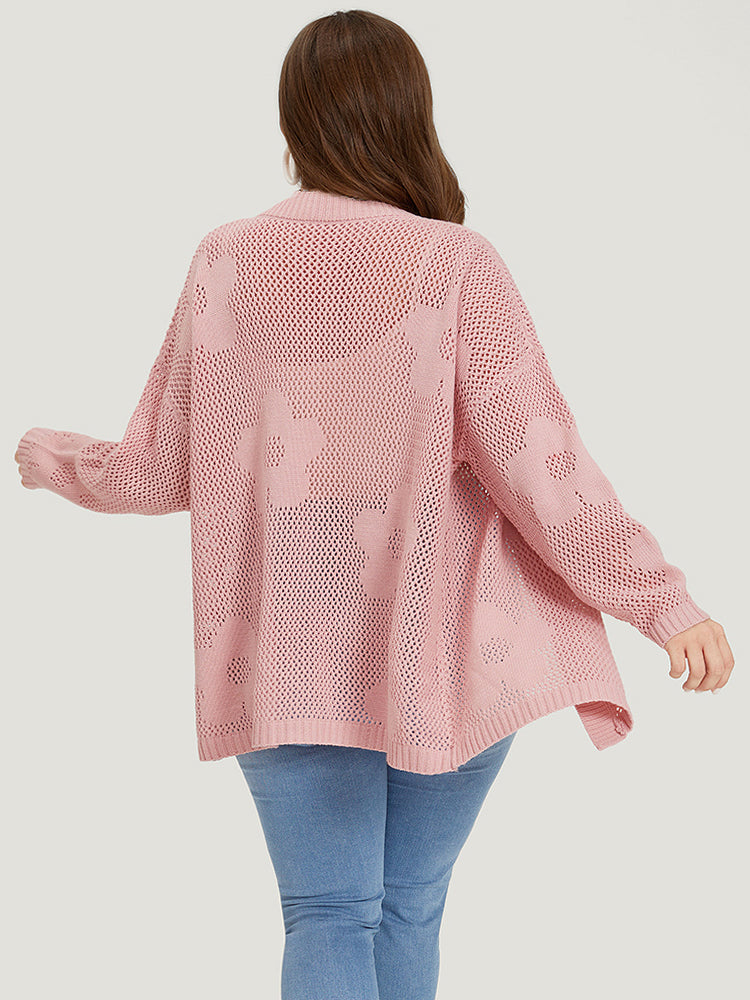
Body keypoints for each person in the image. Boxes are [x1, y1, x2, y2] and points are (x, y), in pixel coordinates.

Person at [14, 9, 735, 1000]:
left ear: (295, 120)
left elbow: (158, 468)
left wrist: (50, 458)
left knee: (327, 914)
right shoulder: (455, 263)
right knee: (408, 908)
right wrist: (665, 603)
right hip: (442, 651)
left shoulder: (226, 259)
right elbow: (544, 468)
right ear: (410, 114)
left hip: (284, 647)